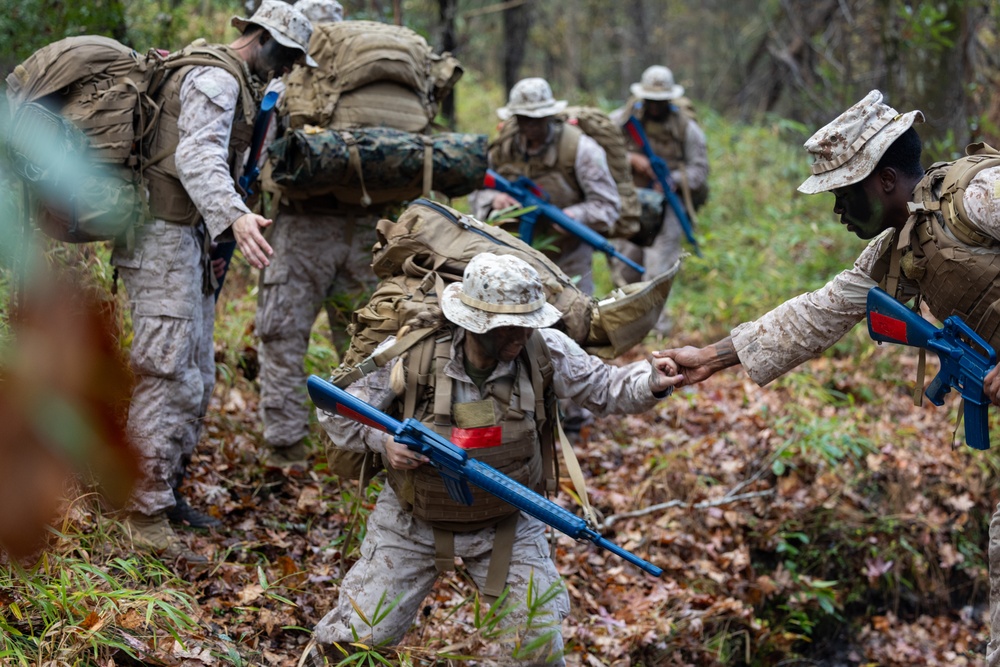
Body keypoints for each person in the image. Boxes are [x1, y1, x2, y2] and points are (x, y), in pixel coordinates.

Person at [655, 90, 1000, 662]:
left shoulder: (981, 199)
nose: (838, 212)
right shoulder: (902, 246)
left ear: (885, 179)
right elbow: (819, 311)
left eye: (844, 194)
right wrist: (713, 358)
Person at [310, 252, 682, 665]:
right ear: (472, 322)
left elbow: (604, 386)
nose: (519, 336)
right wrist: (385, 442)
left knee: (537, 647)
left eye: (527, 325)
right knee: (354, 643)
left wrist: (652, 381)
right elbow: (334, 410)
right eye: (507, 327)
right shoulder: (411, 352)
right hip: (412, 521)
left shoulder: (543, 350)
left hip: (508, 521)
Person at [113, 0, 315, 561]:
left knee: (197, 371)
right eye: (288, 55)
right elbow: (197, 156)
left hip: (185, 239)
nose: (289, 68)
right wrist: (235, 215)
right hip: (161, 236)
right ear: (264, 39)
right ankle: (142, 513)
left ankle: (164, 491)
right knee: (169, 369)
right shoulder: (217, 79)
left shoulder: (241, 82)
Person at [254, 0, 376, 474]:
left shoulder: (285, 82)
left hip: (302, 229)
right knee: (368, 341)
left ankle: (286, 449)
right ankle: (367, 447)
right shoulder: (371, 85)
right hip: (368, 228)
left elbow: (262, 153)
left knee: (283, 337)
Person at [469, 77, 621, 297]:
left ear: (549, 115)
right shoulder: (503, 147)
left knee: (574, 320)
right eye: (523, 119)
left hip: (568, 257)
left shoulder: (581, 150)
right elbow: (476, 188)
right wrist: (494, 199)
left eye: (537, 119)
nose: (530, 126)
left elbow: (608, 206)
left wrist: (572, 216)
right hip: (509, 255)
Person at [610, 65, 710, 332]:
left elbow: (699, 170)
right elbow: (599, 149)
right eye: (650, 100)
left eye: (660, 101)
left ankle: (657, 331)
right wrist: (632, 160)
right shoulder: (623, 120)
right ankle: (624, 327)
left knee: (658, 270)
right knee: (625, 267)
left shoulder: (685, 128)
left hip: (668, 208)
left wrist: (671, 179)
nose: (655, 106)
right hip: (632, 205)